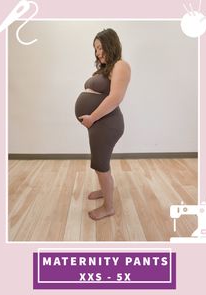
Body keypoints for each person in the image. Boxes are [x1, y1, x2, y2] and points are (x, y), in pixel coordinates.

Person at [75, 28, 131, 221]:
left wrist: (92, 118)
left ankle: (109, 207)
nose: (98, 52)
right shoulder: (105, 69)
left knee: (100, 164)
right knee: (101, 162)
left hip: (107, 123)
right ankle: (104, 190)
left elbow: (116, 97)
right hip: (99, 123)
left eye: (100, 48)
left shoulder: (121, 65)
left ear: (111, 44)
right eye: (95, 49)